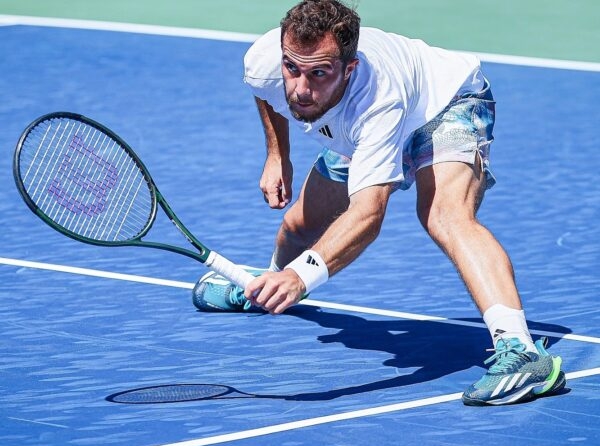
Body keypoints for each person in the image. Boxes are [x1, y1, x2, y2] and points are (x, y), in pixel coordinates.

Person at [193, 0, 565, 406]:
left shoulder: (378, 98)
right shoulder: (267, 61)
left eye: (319, 73)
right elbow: (266, 92)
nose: (301, 88)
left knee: (444, 216)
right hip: (353, 133)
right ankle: (264, 286)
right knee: (299, 227)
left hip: (443, 106)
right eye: (292, 68)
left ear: (349, 70)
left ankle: (524, 354)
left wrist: (303, 277)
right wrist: (277, 154)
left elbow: (368, 213)